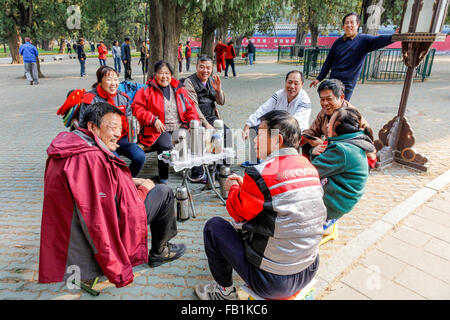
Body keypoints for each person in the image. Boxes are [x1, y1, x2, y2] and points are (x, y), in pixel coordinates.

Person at [39, 102, 186, 288]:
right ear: (93, 127)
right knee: (163, 192)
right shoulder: (91, 159)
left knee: (149, 186)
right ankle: (160, 252)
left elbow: (95, 189)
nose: (118, 134)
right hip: (104, 230)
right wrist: (144, 189)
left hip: (72, 232)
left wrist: (132, 181)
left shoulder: (70, 146)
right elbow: (105, 215)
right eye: (113, 128)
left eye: (120, 128)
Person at [195, 110, 326, 300]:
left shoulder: (262, 173)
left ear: (277, 140)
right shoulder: (308, 166)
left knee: (214, 227)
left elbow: (237, 213)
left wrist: (233, 187)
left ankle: (224, 293)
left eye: (260, 134)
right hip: (309, 268)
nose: (255, 140)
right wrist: (246, 186)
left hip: (274, 282)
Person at [132, 60, 200, 184]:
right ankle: (163, 178)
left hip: (179, 126)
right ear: (154, 75)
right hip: (156, 130)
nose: (164, 76)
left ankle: (196, 174)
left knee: (197, 137)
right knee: (166, 145)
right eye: (161, 73)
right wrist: (153, 119)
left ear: (171, 75)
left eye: (167, 73)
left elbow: (190, 108)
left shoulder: (179, 89)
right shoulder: (146, 91)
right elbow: (137, 108)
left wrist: (193, 123)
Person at [310, 106, 374, 235]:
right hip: (341, 201)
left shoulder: (342, 150)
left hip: (333, 205)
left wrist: (313, 152)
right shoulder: (354, 142)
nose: (327, 125)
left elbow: (312, 172)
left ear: (338, 126)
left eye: (330, 121)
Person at [78, 66, 146, 177]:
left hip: (120, 138)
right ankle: (118, 184)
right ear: (100, 82)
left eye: (115, 79)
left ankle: (128, 180)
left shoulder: (123, 98)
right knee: (116, 164)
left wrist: (134, 125)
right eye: (109, 80)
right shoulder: (90, 99)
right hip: (101, 141)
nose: (113, 83)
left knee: (140, 156)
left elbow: (129, 117)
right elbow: (83, 125)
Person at [309, 12, 394, 101]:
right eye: (346, 23)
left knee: (341, 108)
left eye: (352, 22)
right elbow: (328, 62)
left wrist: (393, 37)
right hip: (333, 81)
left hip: (347, 84)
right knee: (330, 104)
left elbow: (379, 40)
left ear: (357, 24)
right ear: (343, 26)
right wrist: (319, 78)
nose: (349, 25)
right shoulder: (338, 42)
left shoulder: (364, 40)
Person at [241, 70, 311, 167]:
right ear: (285, 82)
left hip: (294, 133)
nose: (292, 86)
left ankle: (276, 164)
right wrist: (247, 125)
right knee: (255, 127)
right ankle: (255, 160)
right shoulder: (279, 94)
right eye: (289, 82)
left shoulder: (305, 100)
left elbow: (295, 123)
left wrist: (273, 131)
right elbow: (264, 109)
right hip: (276, 128)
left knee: (273, 136)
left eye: (296, 83)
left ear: (302, 85)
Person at [183, 55, 230, 181]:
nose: (205, 70)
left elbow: (221, 102)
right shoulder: (189, 82)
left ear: (212, 68)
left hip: (212, 117)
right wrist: (205, 124)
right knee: (206, 134)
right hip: (196, 120)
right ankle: (199, 172)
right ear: (196, 67)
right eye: (202, 67)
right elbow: (193, 106)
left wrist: (219, 90)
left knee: (227, 133)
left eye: (208, 68)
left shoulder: (211, 80)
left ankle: (221, 167)